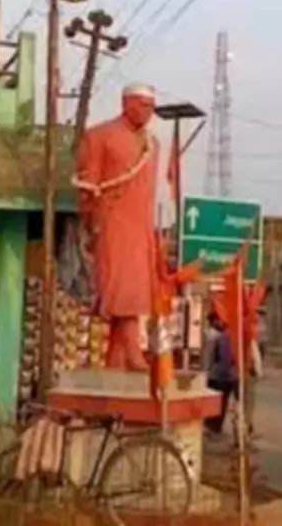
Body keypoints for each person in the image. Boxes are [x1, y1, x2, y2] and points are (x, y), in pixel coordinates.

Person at [74, 84, 159, 372]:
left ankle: (116, 362)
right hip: (112, 223)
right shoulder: (99, 136)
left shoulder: (152, 144)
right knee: (122, 289)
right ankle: (133, 352)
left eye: (151, 106)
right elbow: (87, 185)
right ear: (126, 103)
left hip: (142, 227)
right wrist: (91, 224)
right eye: (142, 104)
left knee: (135, 289)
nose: (147, 112)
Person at [205, 317, 236, 435]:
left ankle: (213, 425)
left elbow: (218, 357)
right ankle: (216, 426)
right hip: (230, 375)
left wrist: (211, 370)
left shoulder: (223, 337)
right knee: (223, 402)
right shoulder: (233, 336)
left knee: (216, 401)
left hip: (219, 375)